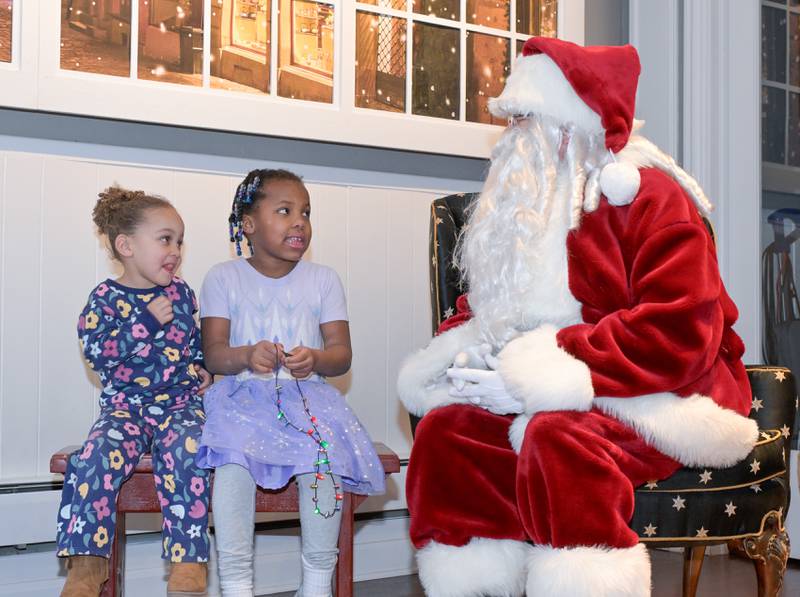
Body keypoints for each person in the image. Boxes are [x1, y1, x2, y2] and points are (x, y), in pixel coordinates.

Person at [397, 37, 757, 597]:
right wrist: (468, 364)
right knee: (449, 431)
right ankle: (479, 585)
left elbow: (679, 331)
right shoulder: (524, 207)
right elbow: (488, 308)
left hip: (657, 392)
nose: (511, 140)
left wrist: (538, 380)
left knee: (555, 434)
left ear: (570, 128)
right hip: (554, 378)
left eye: (525, 123)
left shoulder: (650, 199)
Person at [197, 169, 385, 597]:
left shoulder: (323, 280)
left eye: (305, 212)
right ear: (248, 224)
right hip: (242, 396)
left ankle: (317, 582)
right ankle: (236, 582)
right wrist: (246, 355)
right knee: (231, 463)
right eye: (284, 211)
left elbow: (341, 356)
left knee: (323, 460)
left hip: (306, 398)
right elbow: (213, 353)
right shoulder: (223, 277)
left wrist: (315, 358)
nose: (299, 221)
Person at [57, 186, 212, 597]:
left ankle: (187, 561)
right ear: (125, 245)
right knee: (92, 458)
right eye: (165, 239)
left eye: (179, 240)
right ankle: (87, 568)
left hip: (179, 404)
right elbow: (98, 354)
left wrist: (200, 367)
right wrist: (143, 323)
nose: (176, 249)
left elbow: (191, 342)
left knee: (191, 449)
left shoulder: (181, 293)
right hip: (126, 408)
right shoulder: (106, 299)